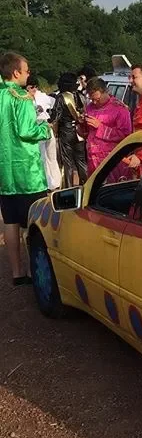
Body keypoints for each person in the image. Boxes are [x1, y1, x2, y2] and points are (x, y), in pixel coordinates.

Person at [0, 52, 52, 286]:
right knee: (33, 222)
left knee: (10, 220)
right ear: (16, 72)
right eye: (26, 69)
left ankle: (16, 272)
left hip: (5, 171)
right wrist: (46, 129)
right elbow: (26, 131)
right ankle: (33, 270)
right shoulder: (20, 97)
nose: (29, 73)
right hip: (27, 171)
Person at [84, 77, 132, 181]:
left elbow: (125, 135)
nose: (95, 103)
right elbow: (87, 133)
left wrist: (100, 127)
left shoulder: (120, 109)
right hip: (92, 158)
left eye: (97, 99)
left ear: (106, 91)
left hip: (111, 160)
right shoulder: (89, 107)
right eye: (92, 99)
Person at [50, 72, 88, 187]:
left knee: (67, 163)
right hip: (79, 131)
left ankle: (68, 190)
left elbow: (55, 117)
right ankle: (87, 186)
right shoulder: (80, 96)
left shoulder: (61, 97)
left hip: (65, 131)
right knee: (81, 161)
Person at [26, 75, 61, 192]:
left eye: (35, 87)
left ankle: (56, 182)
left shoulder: (41, 96)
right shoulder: (23, 100)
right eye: (31, 87)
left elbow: (55, 105)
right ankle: (45, 182)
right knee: (42, 157)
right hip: (36, 128)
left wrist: (52, 121)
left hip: (46, 126)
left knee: (52, 156)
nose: (34, 90)